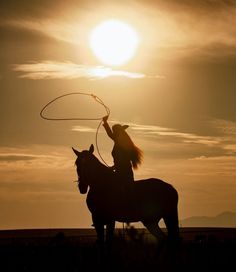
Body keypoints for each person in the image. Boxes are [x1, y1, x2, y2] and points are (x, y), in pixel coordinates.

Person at [102, 115, 143, 187]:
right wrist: (105, 122)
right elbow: (110, 134)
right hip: (121, 172)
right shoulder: (120, 143)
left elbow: (122, 162)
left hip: (124, 173)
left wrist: (113, 168)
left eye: (115, 131)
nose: (113, 133)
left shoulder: (122, 145)